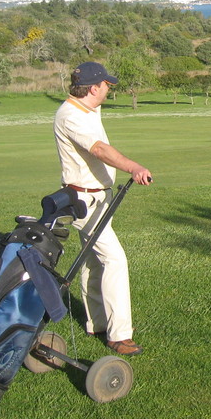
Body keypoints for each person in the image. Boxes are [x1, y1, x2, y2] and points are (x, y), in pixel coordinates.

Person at [53, 61, 152, 356]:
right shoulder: (72, 115)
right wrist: (133, 166)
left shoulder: (86, 109)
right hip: (84, 199)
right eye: (106, 85)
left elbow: (96, 140)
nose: (108, 88)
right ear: (94, 88)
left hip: (97, 197)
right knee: (114, 260)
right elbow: (99, 149)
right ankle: (119, 336)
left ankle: (96, 323)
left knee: (93, 262)